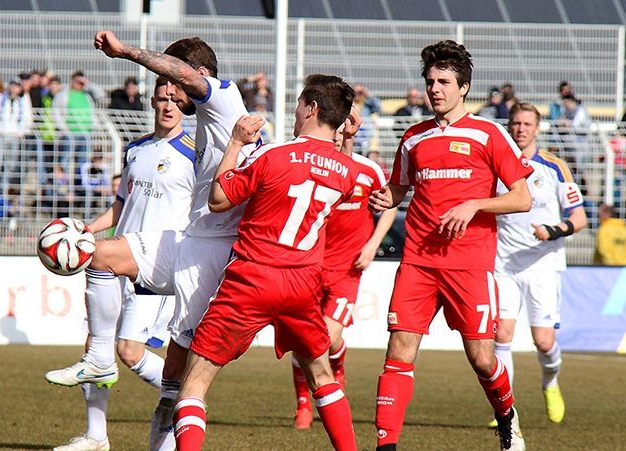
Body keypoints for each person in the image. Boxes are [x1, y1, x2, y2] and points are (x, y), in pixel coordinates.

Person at [172, 74, 359, 451]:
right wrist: (346, 142)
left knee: (195, 381)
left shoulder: (274, 154)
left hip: (252, 278)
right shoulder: (348, 171)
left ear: (311, 108)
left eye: (299, 103)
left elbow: (219, 199)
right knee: (322, 375)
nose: (294, 110)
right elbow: (336, 177)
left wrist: (235, 143)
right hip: (303, 285)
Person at [90, 31, 256, 450]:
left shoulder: (221, 97)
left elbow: (182, 72)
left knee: (186, 386)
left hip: (210, 254)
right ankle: (97, 355)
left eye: (177, 82)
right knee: (101, 255)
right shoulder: (219, 119)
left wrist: (126, 52)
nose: (169, 89)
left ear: (198, 75)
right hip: (192, 241)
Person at [368, 40, 533, 451]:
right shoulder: (412, 138)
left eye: (444, 81)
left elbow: (521, 197)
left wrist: (475, 203)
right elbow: (396, 191)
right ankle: (385, 445)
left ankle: (506, 416)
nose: (435, 89)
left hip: (470, 263)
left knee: (481, 358)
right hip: (418, 262)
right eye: (430, 81)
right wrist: (381, 197)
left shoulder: (489, 133)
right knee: (399, 350)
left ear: (464, 87)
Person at [46, 78, 196, 451]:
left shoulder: (195, 151)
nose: (167, 106)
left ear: (185, 105)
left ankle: (188, 396)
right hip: (118, 258)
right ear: (151, 101)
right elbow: (120, 205)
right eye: (162, 98)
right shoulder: (135, 149)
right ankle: (96, 436)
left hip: (154, 264)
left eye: (175, 100)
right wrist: (84, 230)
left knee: (128, 351)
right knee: (93, 347)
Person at [291, 107, 398, 430]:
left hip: (347, 271)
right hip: (309, 266)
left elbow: (390, 206)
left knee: (318, 339)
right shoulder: (311, 167)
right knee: (303, 340)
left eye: (343, 131)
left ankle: (332, 376)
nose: (337, 137)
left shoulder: (367, 170)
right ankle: (303, 405)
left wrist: (372, 244)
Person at [492, 102, 587, 429]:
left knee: (544, 341)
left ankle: (550, 382)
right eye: (515, 123)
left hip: (543, 264)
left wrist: (554, 230)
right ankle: (507, 410)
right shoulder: (497, 164)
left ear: (537, 128)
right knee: (501, 334)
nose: (520, 129)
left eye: (526, 124)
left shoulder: (555, 167)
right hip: (504, 262)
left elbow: (579, 218)